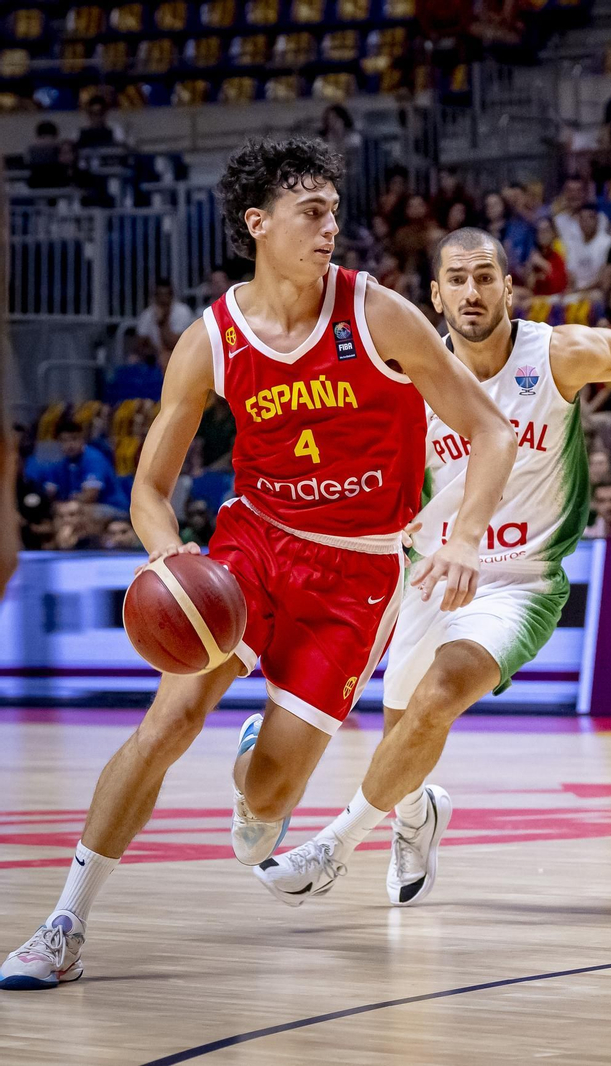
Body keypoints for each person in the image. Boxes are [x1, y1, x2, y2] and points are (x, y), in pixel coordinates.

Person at [0, 138, 520, 991]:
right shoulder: (209, 339)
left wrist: (463, 537)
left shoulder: (378, 311)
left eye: (333, 212)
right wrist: (174, 566)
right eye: (312, 213)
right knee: (165, 725)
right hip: (252, 545)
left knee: (270, 804)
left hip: (355, 573)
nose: (331, 228)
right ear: (258, 225)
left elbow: (492, 432)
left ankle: (256, 763)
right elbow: (149, 491)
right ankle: (64, 923)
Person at [256, 233, 611, 903]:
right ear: (435, 296)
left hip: (519, 580)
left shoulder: (557, 355)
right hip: (429, 575)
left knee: (439, 693)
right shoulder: (408, 371)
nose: (472, 292)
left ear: (507, 288)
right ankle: (417, 818)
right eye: (457, 280)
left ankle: (332, 847)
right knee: (403, 727)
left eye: (484, 277)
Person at [134, 279, 197, 366]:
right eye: (159, 295)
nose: (163, 299)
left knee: (165, 358)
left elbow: (174, 344)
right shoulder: (147, 314)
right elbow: (140, 344)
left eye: (166, 295)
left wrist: (162, 322)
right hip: (155, 355)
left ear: (172, 296)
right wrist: (153, 351)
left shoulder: (182, 311)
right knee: (132, 360)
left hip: (182, 353)